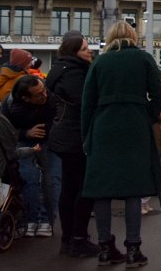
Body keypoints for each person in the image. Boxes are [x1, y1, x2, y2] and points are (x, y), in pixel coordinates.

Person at [82, 21, 161, 268]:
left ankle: (106, 248)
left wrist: (87, 135)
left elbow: (88, 102)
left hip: (104, 126)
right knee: (133, 188)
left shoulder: (99, 61)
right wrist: (147, 114)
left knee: (102, 189)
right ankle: (133, 249)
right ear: (132, 36)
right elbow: (158, 94)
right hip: (135, 126)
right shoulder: (143, 58)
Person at [44, 30, 97, 258]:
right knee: (84, 188)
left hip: (62, 135)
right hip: (75, 136)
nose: (90, 53)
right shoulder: (74, 73)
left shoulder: (59, 69)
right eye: (85, 49)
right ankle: (78, 238)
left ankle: (69, 238)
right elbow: (84, 102)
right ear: (75, 52)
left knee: (69, 188)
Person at [1, 74, 62, 238]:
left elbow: (60, 120)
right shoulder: (9, 104)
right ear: (25, 98)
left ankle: (47, 220)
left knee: (52, 180)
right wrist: (25, 133)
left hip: (51, 142)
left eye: (44, 90)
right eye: (39, 94)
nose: (45, 95)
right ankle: (31, 219)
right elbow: (4, 128)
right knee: (29, 179)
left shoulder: (52, 99)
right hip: (25, 141)